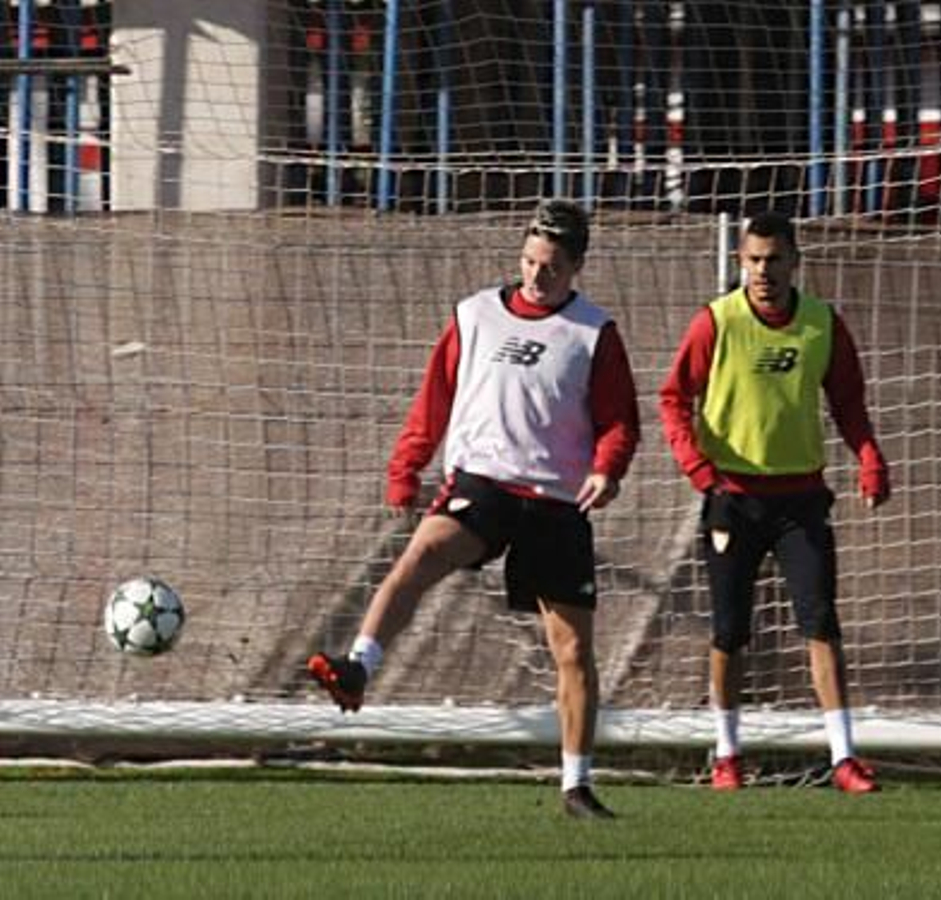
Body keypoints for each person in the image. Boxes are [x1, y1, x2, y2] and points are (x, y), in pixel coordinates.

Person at [307, 199, 641, 820]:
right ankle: (358, 668)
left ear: (577, 268)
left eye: (552, 267)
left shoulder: (594, 333)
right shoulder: (476, 314)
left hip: (555, 499)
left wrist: (607, 468)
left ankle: (576, 785)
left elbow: (620, 420)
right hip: (483, 482)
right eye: (530, 261)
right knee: (424, 551)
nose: (538, 275)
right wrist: (405, 468)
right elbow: (434, 400)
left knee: (571, 650)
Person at [659, 211, 891, 794]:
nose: (763, 270)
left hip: (801, 501)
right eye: (753, 259)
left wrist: (868, 456)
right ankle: (727, 753)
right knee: (729, 630)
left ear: (795, 262)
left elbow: (848, 403)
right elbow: (672, 398)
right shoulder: (717, 321)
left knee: (820, 621)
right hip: (732, 498)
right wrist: (697, 467)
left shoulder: (821, 324)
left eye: (774, 259)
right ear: (740, 262)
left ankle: (843, 756)